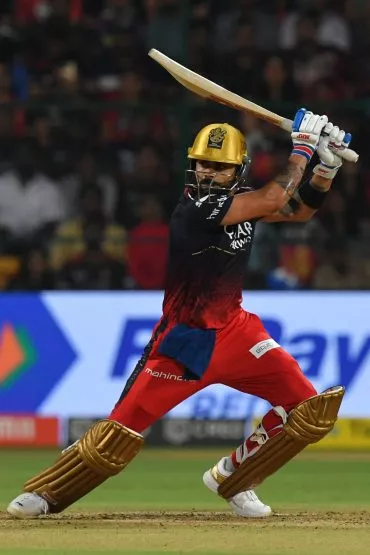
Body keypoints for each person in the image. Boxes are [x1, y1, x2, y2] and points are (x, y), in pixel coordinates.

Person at [7, 108, 351, 519]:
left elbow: (299, 211)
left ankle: (233, 476)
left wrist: (325, 169)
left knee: (310, 410)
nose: (209, 173)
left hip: (238, 332)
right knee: (119, 432)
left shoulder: (241, 204)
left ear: (237, 170)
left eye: (220, 168)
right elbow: (276, 197)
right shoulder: (194, 209)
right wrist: (303, 148)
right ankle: (47, 496)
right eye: (204, 164)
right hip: (188, 341)